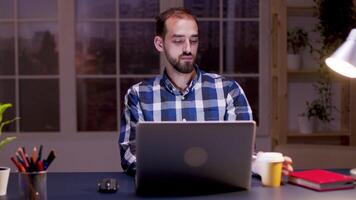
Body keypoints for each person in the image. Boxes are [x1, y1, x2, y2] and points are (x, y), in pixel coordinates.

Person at [119, 7, 293, 176]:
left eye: (193, 40)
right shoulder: (138, 95)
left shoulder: (228, 91)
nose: (188, 48)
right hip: (162, 192)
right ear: (159, 44)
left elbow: (241, 153)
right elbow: (130, 156)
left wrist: (261, 164)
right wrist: (182, 171)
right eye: (178, 40)